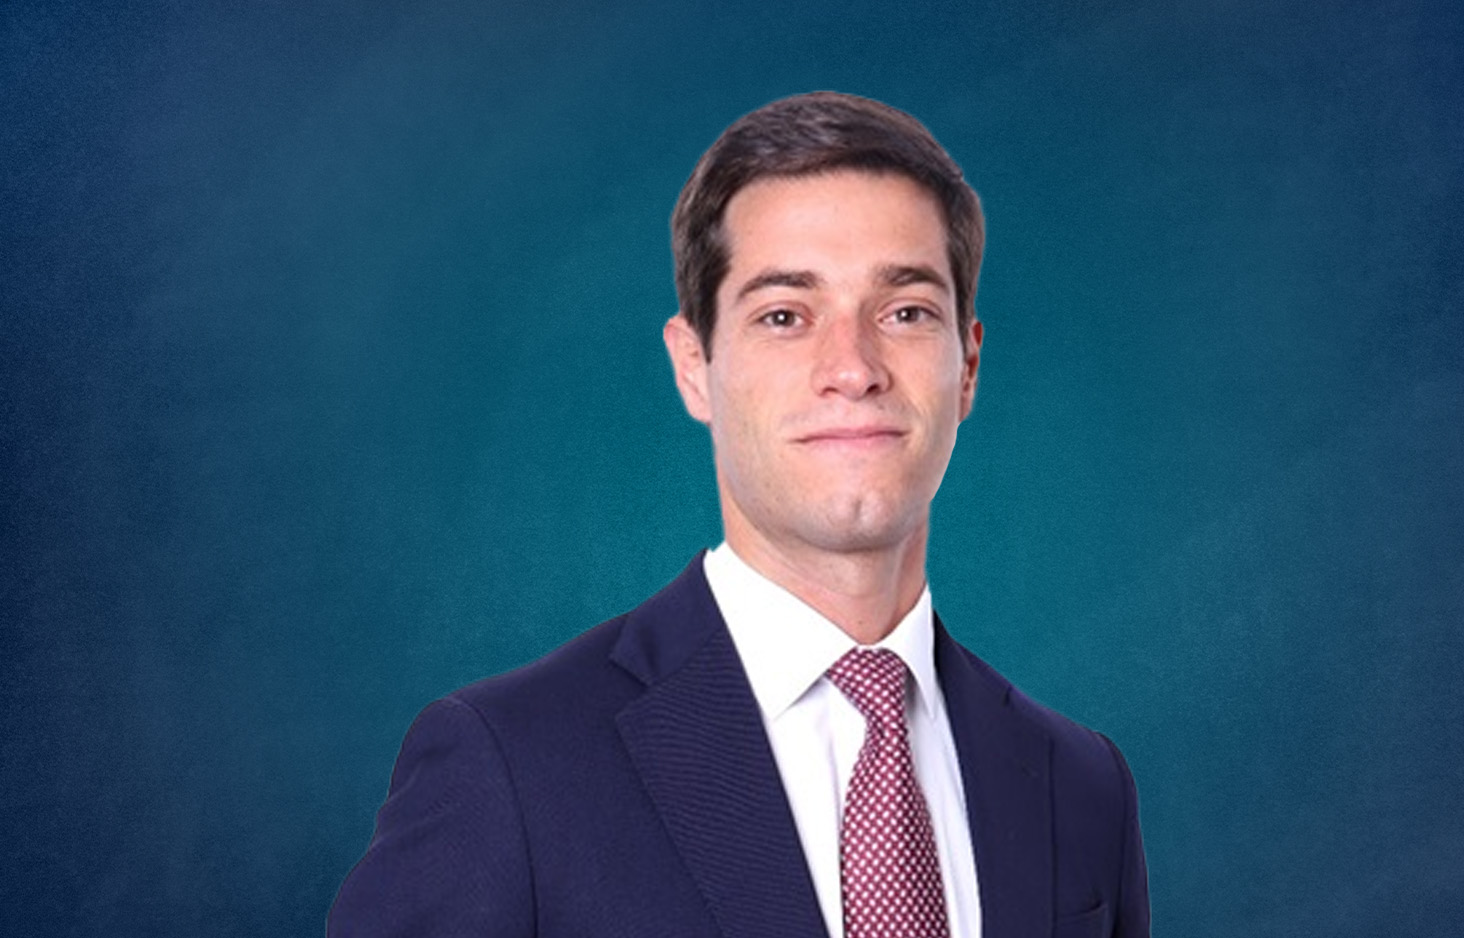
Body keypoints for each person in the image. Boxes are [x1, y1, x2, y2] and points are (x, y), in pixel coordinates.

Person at [329, 91, 1149, 938]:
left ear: (967, 365)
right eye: (784, 316)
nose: (852, 368)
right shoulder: (507, 766)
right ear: (694, 368)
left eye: (905, 312)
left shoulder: (1081, 785)